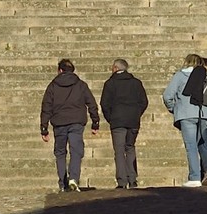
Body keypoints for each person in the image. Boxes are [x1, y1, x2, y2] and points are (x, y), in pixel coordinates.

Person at [162, 51, 207, 186]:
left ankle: (194, 177)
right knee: (201, 144)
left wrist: (174, 109)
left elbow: (167, 96)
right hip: (204, 114)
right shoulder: (206, 75)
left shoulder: (180, 75)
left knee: (191, 146)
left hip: (186, 114)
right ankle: (206, 169)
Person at [39, 56, 100, 191]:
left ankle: (63, 183)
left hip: (59, 122)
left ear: (60, 70)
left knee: (60, 153)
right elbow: (91, 103)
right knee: (76, 151)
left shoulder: (53, 86)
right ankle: (74, 178)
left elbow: (46, 107)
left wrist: (44, 128)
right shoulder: (81, 85)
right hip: (76, 122)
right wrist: (95, 122)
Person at [100, 58, 148, 188]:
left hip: (117, 120)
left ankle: (122, 181)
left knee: (119, 151)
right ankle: (132, 179)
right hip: (133, 120)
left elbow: (104, 104)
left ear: (116, 68)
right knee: (130, 147)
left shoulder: (110, 83)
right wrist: (136, 114)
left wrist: (110, 118)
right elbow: (144, 102)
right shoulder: (136, 83)